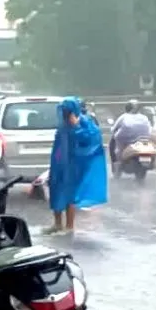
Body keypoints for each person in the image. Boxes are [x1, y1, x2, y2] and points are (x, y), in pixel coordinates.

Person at [47, 97, 108, 234]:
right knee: (55, 189)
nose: (64, 114)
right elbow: (58, 145)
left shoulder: (84, 123)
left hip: (74, 164)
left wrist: (76, 127)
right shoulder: (63, 125)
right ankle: (57, 224)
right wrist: (55, 163)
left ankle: (69, 226)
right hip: (60, 163)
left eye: (66, 111)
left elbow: (92, 139)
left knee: (70, 193)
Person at [109, 99, 152, 164]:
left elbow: (114, 129)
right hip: (143, 140)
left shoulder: (123, 117)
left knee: (114, 142)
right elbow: (149, 128)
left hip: (126, 140)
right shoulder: (144, 117)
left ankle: (115, 162)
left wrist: (113, 130)